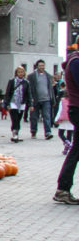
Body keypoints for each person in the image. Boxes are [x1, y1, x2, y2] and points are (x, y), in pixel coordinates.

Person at [54, 47, 79, 204]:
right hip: (78, 108)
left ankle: (63, 189)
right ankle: (62, 188)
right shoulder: (76, 62)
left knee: (76, 150)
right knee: (76, 151)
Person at [27, 59, 54, 140]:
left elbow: (51, 89)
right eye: (40, 66)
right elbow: (30, 89)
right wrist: (30, 99)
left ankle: (48, 132)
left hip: (46, 99)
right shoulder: (31, 76)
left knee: (47, 116)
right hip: (35, 100)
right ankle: (33, 131)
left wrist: (53, 100)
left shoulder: (48, 76)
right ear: (37, 66)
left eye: (43, 65)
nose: (42, 67)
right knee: (34, 117)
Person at [2, 68, 29, 142]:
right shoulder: (12, 81)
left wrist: (30, 104)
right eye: (19, 72)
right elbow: (7, 93)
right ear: (16, 73)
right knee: (14, 118)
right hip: (13, 102)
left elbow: (28, 94)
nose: (20, 73)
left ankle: (16, 133)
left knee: (18, 119)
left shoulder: (26, 82)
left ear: (24, 73)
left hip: (22, 103)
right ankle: (15, 133)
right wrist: (7, 103)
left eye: (22, 72)